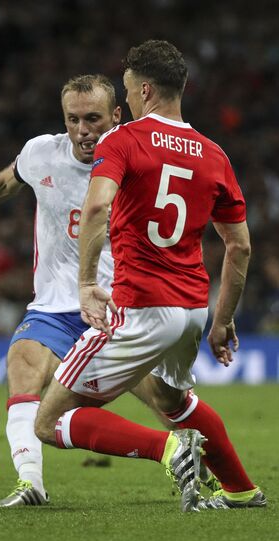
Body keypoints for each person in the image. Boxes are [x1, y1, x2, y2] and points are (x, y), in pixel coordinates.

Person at [35, 40, 266, 511]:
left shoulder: (123, 140)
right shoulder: (213, 154)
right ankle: (241, 490)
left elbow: (97, 205)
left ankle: (170, 449)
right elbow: (239, 245)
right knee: (171, 399)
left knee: (49, 419)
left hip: (139, 306)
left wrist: (84, 285)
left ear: (142, 89)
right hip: (191, 312)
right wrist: (222, 322)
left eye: (126, 90)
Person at [0, 74, 122, 507]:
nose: (82, 130)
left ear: (115, 116)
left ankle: (203, 465)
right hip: (55, 307)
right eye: (73, 119)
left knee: (168, 399)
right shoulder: (43, 153)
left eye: (93, 118)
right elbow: (4, 183)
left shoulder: (135, 160)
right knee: (21, 365)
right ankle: (31, 483)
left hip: (119, 305)